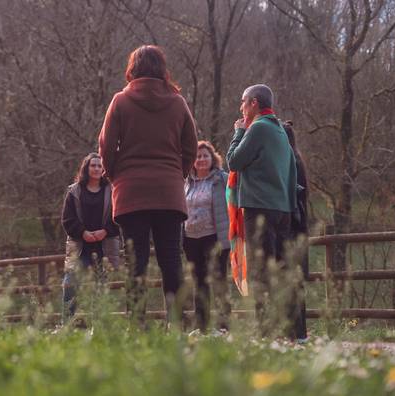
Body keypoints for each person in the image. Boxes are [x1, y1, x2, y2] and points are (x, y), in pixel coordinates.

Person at [99, 45, 198, 326]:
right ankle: (177, 325)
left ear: (132, 68)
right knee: (171, 262)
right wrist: (176, 174)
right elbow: (191, 146)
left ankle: (137, 325)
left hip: (131, 193)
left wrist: (115, 176)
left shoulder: (120, 101)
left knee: (136, 263)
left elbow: (106, 147)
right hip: (168, 192)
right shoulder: (177, 103)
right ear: (162, 68)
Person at [226, 84, 297, 337]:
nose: (241, 107)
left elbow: (234, 161)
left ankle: (265, 332)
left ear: (254, 103)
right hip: (283, 209)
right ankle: (285, 329)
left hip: (260, 208)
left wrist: (238, 132)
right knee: (279, 269)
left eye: (243, 101)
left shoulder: (257, 128)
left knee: (260, 270)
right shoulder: (279, 130)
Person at [61, 153, 121, 322]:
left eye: (99, 166)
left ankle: (100, 327)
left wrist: (106, 230)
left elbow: (119, 216)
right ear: (86, 168)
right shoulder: (74, 191)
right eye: (92, 165)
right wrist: (83, 233)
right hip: (81, 249)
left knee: (100, 289)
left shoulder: (113, 191)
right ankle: (66, 325)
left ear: (104, 169)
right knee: (70, 284)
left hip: (105, 247)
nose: (96, 169)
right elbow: (67, 219)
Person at [183, 141, 231, 332]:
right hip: (190, 238)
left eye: (205, 156)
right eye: (197, 156)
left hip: (215, 237)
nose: (201, 159)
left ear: (213, 159)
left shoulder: (222, 179)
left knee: (219, 281)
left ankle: (224, 327)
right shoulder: (186, 182)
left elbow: (233, 206)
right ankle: (202, 327)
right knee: (199, 282)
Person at [283, 121, 309, 341]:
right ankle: (300, 332)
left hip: (291, 224)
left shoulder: (289, 160)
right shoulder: (297, 158)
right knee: (296, 280)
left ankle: (296, 332)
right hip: (299, 225)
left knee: (290, 279)